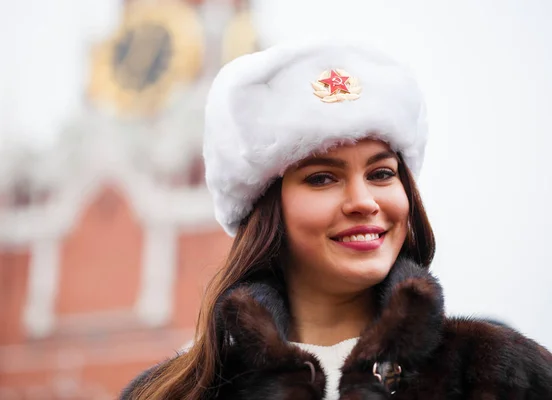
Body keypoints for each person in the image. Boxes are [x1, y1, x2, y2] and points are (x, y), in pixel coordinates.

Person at [121, 41, 552, 399]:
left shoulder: (499, 372)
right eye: (323, 178)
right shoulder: (176, 391)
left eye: (382, 173)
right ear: (267, 209)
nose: (363, 201)